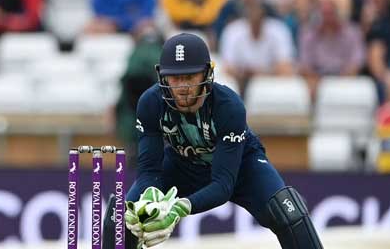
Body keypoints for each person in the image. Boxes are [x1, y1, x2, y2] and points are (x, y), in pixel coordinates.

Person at [102, 33, 323, 249]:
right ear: (163, 77)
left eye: (190, 76)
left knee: (288, 211)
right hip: (183, 164)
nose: (182, 87)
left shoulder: (229, 105)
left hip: (240, 164)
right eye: (175, 78)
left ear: (207, 74)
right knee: (122, 217)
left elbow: (223, 185)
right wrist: (150, 197)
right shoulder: (150, 102)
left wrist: (178, 208)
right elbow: (149, 171)